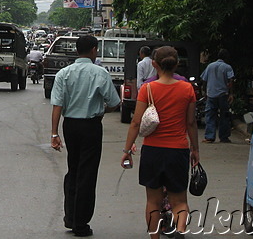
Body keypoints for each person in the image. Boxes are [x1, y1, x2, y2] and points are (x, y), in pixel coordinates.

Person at [122, 46, 199, 239]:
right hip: (178, 151)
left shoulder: (148, 89)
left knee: (153, 202)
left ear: (154, 64)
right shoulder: (187, 89)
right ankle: (180, 231)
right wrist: (195, 149)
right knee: (179, 201)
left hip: (153, 151)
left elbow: (136, 122)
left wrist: (127, 149)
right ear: (177, 64)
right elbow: (190, 122)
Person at [50, 35, 120, 237]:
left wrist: (54, 133)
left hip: (70, 125)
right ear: (93, 50)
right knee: (87, 172)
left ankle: (70, 217)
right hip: (91, 126)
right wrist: (100, 110)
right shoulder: (100, 73)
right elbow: (114, 102)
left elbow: (57, 105)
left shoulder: (64, 73)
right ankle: (81, 223)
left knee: (73, 168)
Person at [200, 49, 235, 143]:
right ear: (226, 58)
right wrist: (231, 93)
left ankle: (209, 136)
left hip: (211, 94)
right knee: (224, 115)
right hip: (223, 94)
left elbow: (204, 79)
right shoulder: (227, 67)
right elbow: (230, 80)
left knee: (210, 115)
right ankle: (224, 137)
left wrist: (204, 91)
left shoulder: (209, 66)